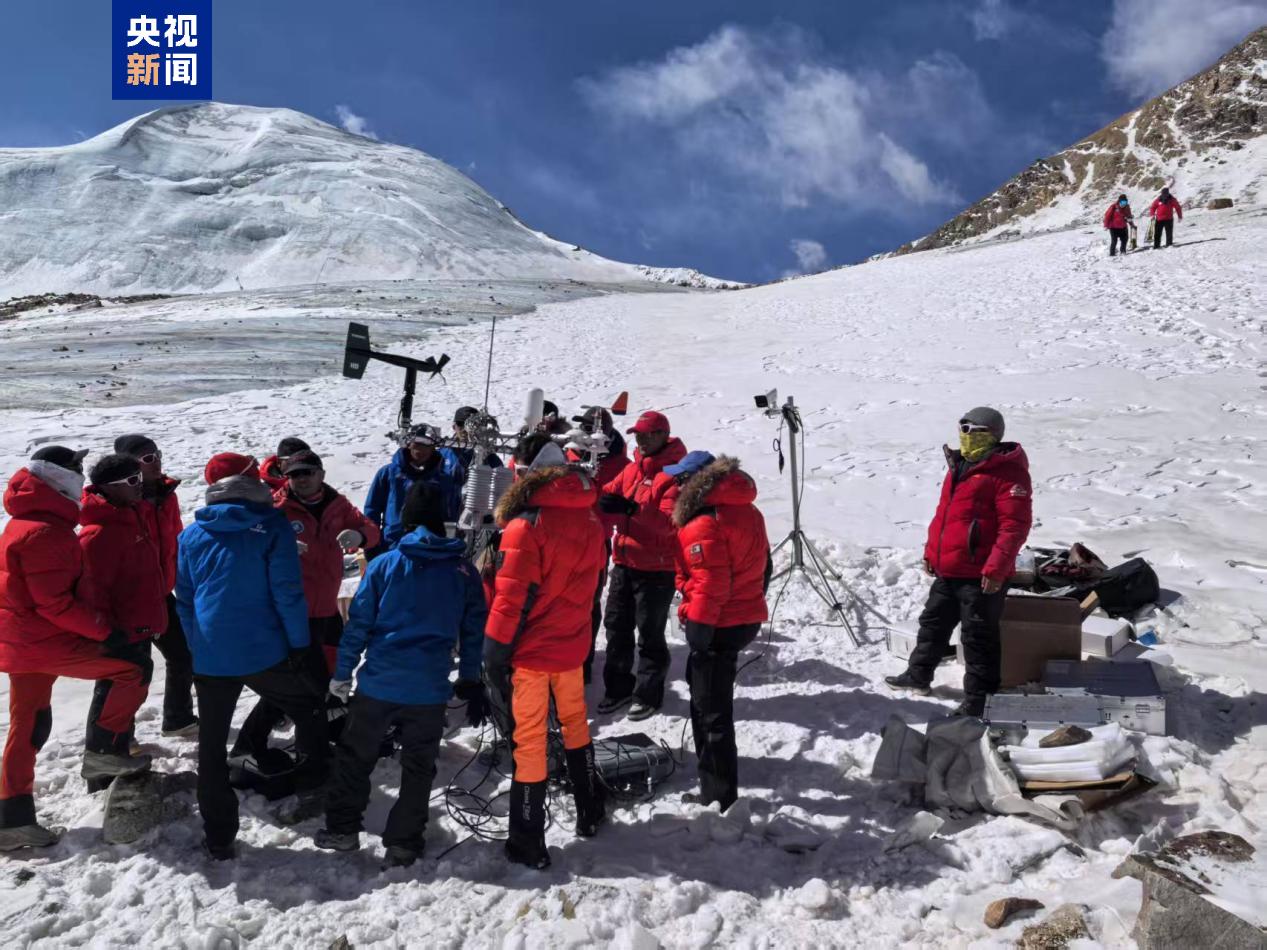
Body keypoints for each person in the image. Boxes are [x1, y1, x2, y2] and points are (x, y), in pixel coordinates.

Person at [315, 482, 488, 867]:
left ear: (406, 521)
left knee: (355, 757)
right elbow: (474, 631)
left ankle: (343, 829)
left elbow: (358, 626)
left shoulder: (384, 565)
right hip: (429, 689)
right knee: (418, 766)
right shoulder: (463, 571)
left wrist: (341, 676)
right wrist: (469, 678)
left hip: (379, 684)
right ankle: (404, 843)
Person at [174, 452, 329, 860]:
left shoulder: (191, 534)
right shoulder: (273, 526)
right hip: (264, 649)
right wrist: (299, 645)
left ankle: (219, 837)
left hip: (211, 653)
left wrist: (197, 645)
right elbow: (287, 593)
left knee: (210, 746)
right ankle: (313, 787)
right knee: (309, 706)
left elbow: (184, 600)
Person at [0, 447, 151, 851]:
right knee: (131, 669)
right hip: (42, 641)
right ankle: (104, 751)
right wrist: (103, 632)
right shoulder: (44, 531)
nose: (81, 474)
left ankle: (12, 818)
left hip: (22, 641)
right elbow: (54, 603)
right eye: (75, 467)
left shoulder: (29, 519)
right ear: (56, 476)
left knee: (28, 725)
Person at [484, 433, 607, 869]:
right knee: (575, 722)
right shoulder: (590, 519)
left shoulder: (525, 526)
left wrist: (494, 654)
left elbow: (511, 600)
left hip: (533, 654)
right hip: (572, 643)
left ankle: (527, 839)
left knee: (531, 740)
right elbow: (595, 584)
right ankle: (590, 808)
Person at [232, 450, 381, 760]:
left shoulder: (339, 505)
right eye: (293, 474)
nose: (300, 479)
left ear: (321, 474)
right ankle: (255, 745)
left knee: (328, 678)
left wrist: (360, 536)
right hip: (292, 613)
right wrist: (278, 545)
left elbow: (372, 530)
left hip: (327, 607)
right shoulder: (275, 507)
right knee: (296, 685)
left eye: (307, 473)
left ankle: (321, 737)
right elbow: (247, 544)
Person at [886, 408, 1033, 717]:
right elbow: (945, 516)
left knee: (978, 639)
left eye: (972, 430)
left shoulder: (1009, 473)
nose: (965, 436)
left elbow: (1014, 527)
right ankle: (918, 675)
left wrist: (996, 568)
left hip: (982, 574)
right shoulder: (960, 465)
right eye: (962, 429)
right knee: (932, 624)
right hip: (950, 567)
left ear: (992, 435)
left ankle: (980, 701)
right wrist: (932, 552)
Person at [671, 456, 770, 813]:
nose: (676, 487)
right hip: (740, 618)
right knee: (709, 703)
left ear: (696, 483)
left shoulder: (703, 523)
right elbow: (765, 565)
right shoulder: (747, 511)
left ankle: (718, 796)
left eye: (680, 480)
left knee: (711, 713)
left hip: (718, 623)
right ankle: (714, 785)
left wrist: (699, 630)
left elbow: (710, 584)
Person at [78, 454, 169, 787]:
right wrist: (106, 632)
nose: (140, 485)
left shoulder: (131, 516)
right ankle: (102, 763)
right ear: (108, 488)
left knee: (128, 691)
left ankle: (118, 750)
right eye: (132, 480)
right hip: (118, 630)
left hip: (138, 622)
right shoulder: (99, 534)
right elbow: (93, 591)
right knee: (113, 691)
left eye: (139, 478)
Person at [596, 410, 687, 720]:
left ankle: (648, 694)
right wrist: (603, 498)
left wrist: (632, 510)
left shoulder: (674, 474)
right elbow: (609, 491)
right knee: (616, 627)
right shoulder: (633, 469)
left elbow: (670, 523)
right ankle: (618, 688)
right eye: (638, 435)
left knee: (650, 634)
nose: (642, 441)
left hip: (656, 569)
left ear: (663, 435)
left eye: (648, 435)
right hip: (624, 562)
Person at [114, 433, 197, 736]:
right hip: (129, 600)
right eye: (148, 458)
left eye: (157, 454)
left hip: (161, 592)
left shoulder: (167, 494)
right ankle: (118, 737)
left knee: (183, 653)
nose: (156, 461)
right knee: (132, 669)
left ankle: (178, 719)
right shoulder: (119, 501)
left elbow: (176, 540)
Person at [565, 407, 631, 684]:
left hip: (596, 542)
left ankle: (584, 663)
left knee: (589, 603)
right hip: (563, 539)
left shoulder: (621, 465)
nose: (587, 434)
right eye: (584, 428)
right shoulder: (567, 454)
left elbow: (627, 508)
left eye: (592, 429)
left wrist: (611, 512)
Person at [364, 425, 462, 550]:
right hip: (392, 544)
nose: (421, 449)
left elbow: (451, 514)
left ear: (433, 448)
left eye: (427, 444)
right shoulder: (388, 473)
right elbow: (372, 509)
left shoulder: (443, 480)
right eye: (417, 443)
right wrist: (371, 543)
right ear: (408, 444)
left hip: (429, 547)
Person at [441, 406, 503, 471]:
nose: (465, 429)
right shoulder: (442, 454)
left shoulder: (491, 459)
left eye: (471, 425)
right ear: (454, 427)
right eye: (461, 424)